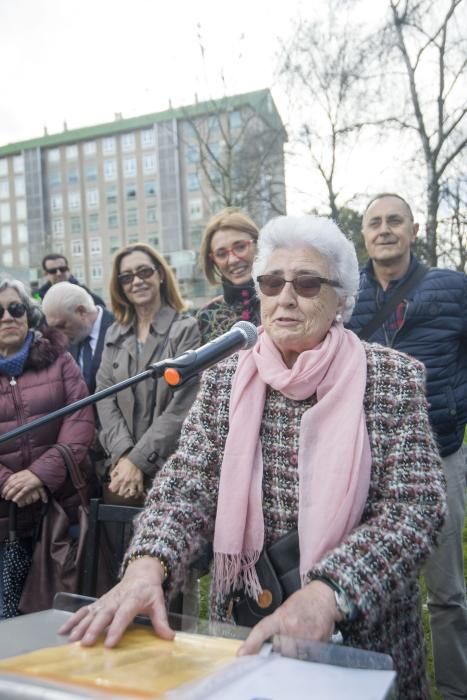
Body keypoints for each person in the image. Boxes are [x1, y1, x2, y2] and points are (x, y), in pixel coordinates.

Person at [61, 215, 446, 698]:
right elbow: (186, 485)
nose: (286, 296)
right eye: (271, 282)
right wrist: (146, 564)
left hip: (362, 643)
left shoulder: (391, 378)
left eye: (307, 283)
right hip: (244, 633)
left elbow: (417, 509)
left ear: (341, 299)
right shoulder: (227, 379)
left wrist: (328, 594)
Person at [346, 193, 467, 700]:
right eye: (375, 223)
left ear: (413, 229)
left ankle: (455, 688)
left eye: (394, 220)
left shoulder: (454, 288)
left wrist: (456, 404)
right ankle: (387, 688)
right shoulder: (346, 293)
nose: (384, 230)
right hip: (367, 461)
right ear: (364, 235)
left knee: (447, 593)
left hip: (440, 451)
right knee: (374, 587)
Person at [0, 278, 95, 617]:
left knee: (62, 616)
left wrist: (38, 476)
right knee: (7, 621)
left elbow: (80, 423)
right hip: (6, 519)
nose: (7, 317)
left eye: (16, 308)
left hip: (60, 511)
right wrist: (10, 483)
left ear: (29, 313)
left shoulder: (59, 360)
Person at [94, 242, 201, 505]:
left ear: (161, 275)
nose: (137, 281)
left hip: (169, 472)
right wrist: (123, 457)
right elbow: (104, 397)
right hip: (121, 475)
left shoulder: (186, 329)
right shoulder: (114, 335)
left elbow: (184, 406)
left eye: (145, 272)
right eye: (127, 277)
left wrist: (138, 461)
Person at [196, 208, 261, 343]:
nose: (233, 260)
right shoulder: (207, 316)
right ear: (213, 260)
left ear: (258, 244)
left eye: (240, 247)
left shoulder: (281, 302)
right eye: (221, 254)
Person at [42, 282, 115, 393]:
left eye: (61, 326)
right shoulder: (65, 343)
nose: (59, 334)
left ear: (81, 312)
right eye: (54, 329)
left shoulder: (120, 330)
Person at [36, 253, 106, 308]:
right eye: (53, 271)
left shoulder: (84, 293)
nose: (59, 273)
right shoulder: (39, 297)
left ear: (68, 270)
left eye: (62, 269)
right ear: (46, 274)